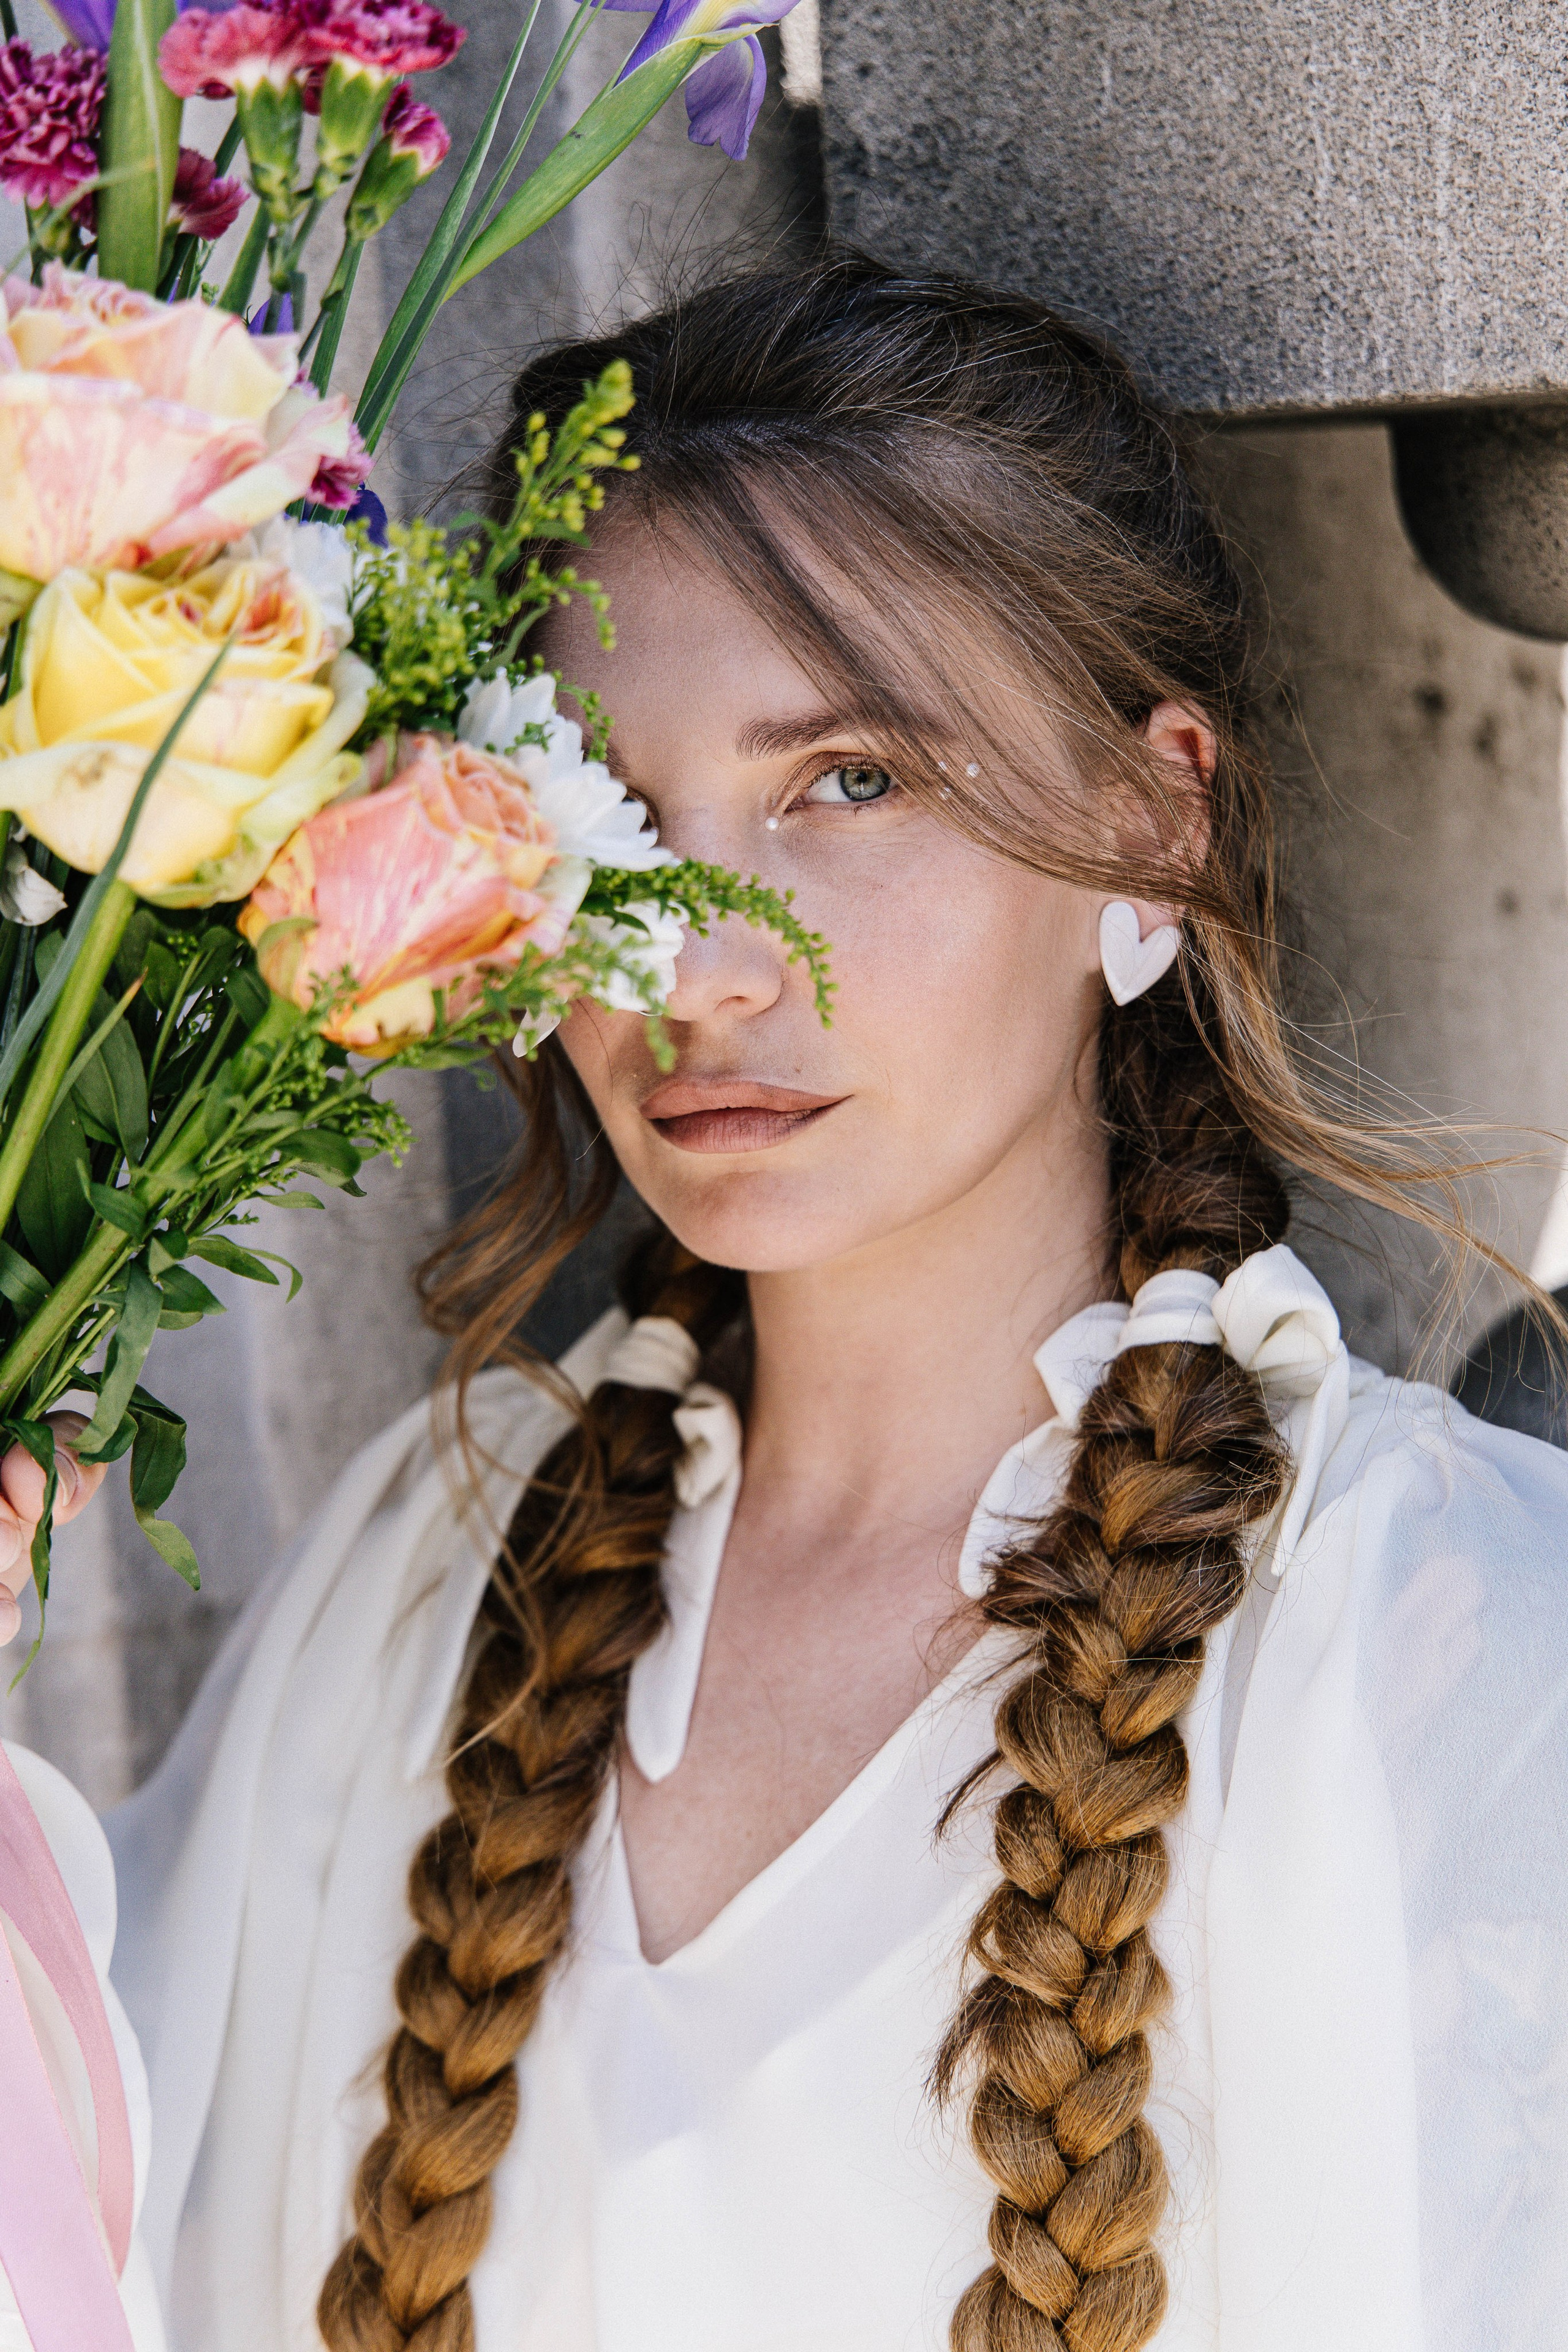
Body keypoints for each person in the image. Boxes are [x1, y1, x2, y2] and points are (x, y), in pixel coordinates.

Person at [2, 252, 1565, 2352]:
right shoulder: (435, 1567)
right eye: (616, 821)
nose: (697, 967)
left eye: (849, 781)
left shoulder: (1420, 1623)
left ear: (1150, 810)